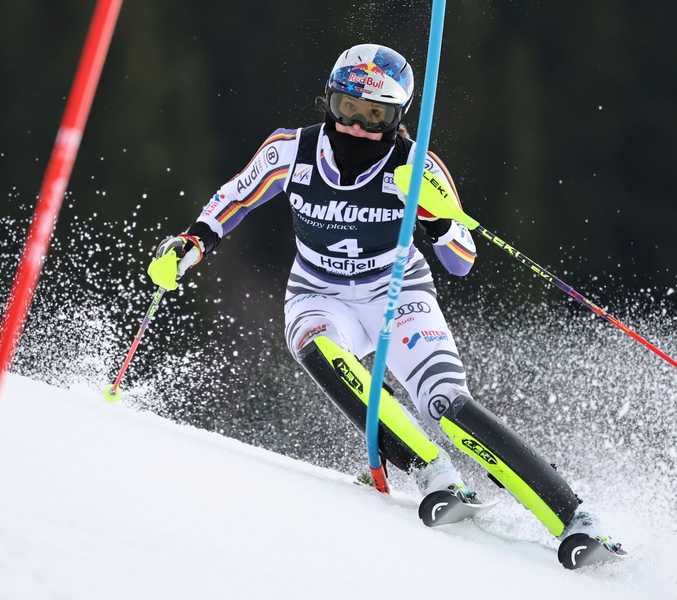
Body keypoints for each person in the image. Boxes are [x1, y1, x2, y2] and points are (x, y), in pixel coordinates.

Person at [147, 43, 619, 552]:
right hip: (318, 291)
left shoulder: (417, 164)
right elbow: (235, 195)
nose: (356, 125)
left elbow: (463, 259)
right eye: (346, 108)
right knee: (315, 345)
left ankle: (575, 519)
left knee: (445, 404)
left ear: (396, 118)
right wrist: (190, 244)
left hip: (397, 291)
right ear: (329, 100)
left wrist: (435, 218)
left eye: (374, 115)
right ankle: (433, 474)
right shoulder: (293, 150)